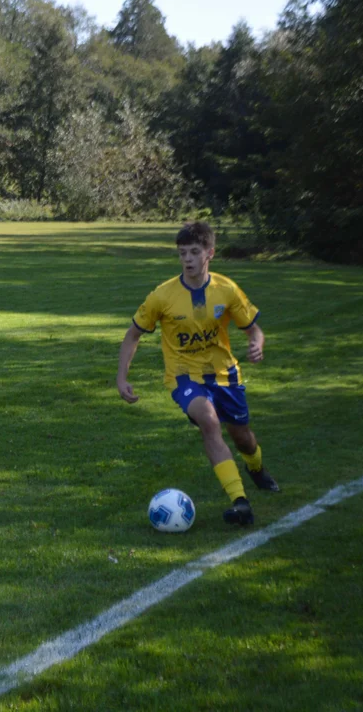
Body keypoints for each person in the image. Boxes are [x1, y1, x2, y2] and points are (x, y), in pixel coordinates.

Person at [116, 221, 280, 526]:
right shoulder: (162, 296)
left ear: (210, 253)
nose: (187, 259)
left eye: (194, 252)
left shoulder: (226, 289)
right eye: (182, 253)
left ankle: (256, 468)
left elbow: (254, 330)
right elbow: (133, 335)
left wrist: (257, 345)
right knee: (208, 420)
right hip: (183, 376)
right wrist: (121, 378)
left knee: (243, 438)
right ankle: (239, 501)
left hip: (225, 374)